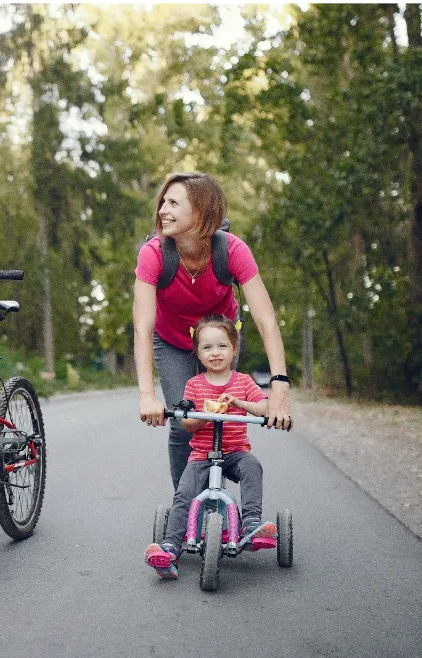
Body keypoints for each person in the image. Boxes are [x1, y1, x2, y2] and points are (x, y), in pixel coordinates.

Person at [133, 172, 292, 494]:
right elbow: (143, 326)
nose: (163, 210)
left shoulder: (232, 251)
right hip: (172, 340)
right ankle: (187, 507)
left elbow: (266, 320)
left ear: (202, 212)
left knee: (220, 417)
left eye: (174, 203)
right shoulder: (153, 254)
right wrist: (147, 394)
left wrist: (279, 388)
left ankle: (219, 492)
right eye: (163, 201)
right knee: (183, 423)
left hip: (219, 338)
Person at [144, 315, 280, 579]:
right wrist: (199, 414)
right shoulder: (194, 385)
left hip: (235, 451)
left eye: (221, 346)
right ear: (197, 352)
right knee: (184, 492)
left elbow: (264, 406)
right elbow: (186, 424)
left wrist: (240, 404)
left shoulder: (243, 382)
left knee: (252, 466)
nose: (215, 353)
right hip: (202, 455)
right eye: (207, 348)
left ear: (234, 349)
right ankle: (171, 546)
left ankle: (251, 523)